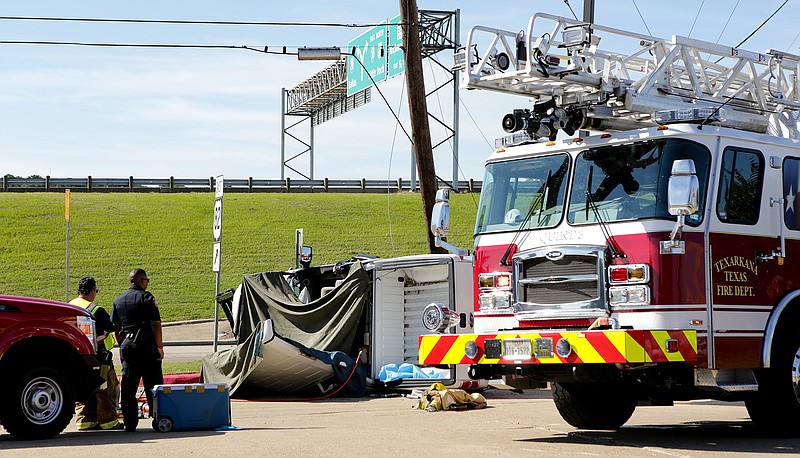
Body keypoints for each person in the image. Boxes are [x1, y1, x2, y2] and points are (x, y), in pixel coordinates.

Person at [111, 268, 164, 433]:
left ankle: (130, 423)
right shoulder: (147, 298)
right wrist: (160, 347)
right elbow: (155, 324)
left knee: (128, 387)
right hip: (147, 347)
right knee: (154, 386)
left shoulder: (119, 300)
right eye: (147, 280)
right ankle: (160, 419)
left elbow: (116, 326)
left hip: (128, 347)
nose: (147, 283)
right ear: (142, 281)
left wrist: (122, 342)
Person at [70, 277, 123, 430]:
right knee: (105, 388)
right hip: (99, 359)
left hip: (77, 358)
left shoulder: (70, 306)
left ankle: (84, 421)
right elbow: (110, 327)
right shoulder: (96, 310)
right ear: (92, 290)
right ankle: (108, 421)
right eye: (96, 291)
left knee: (84, 389)